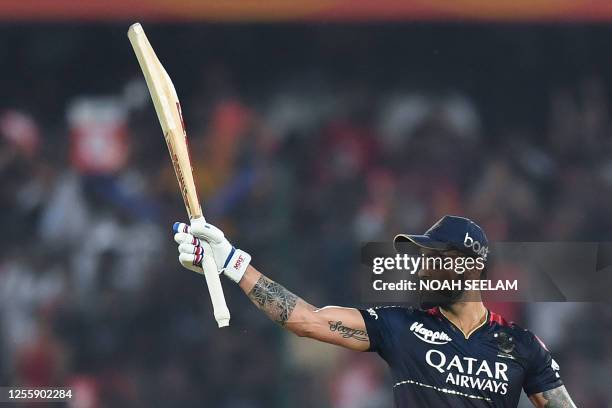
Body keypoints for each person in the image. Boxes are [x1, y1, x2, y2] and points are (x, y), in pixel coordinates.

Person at [172, 215, 577, 407]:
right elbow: (306, 320)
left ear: (468, 265)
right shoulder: (399, 326)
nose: (421, 268)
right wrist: (231, 261)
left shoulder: (522, 346)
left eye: (432, 258)